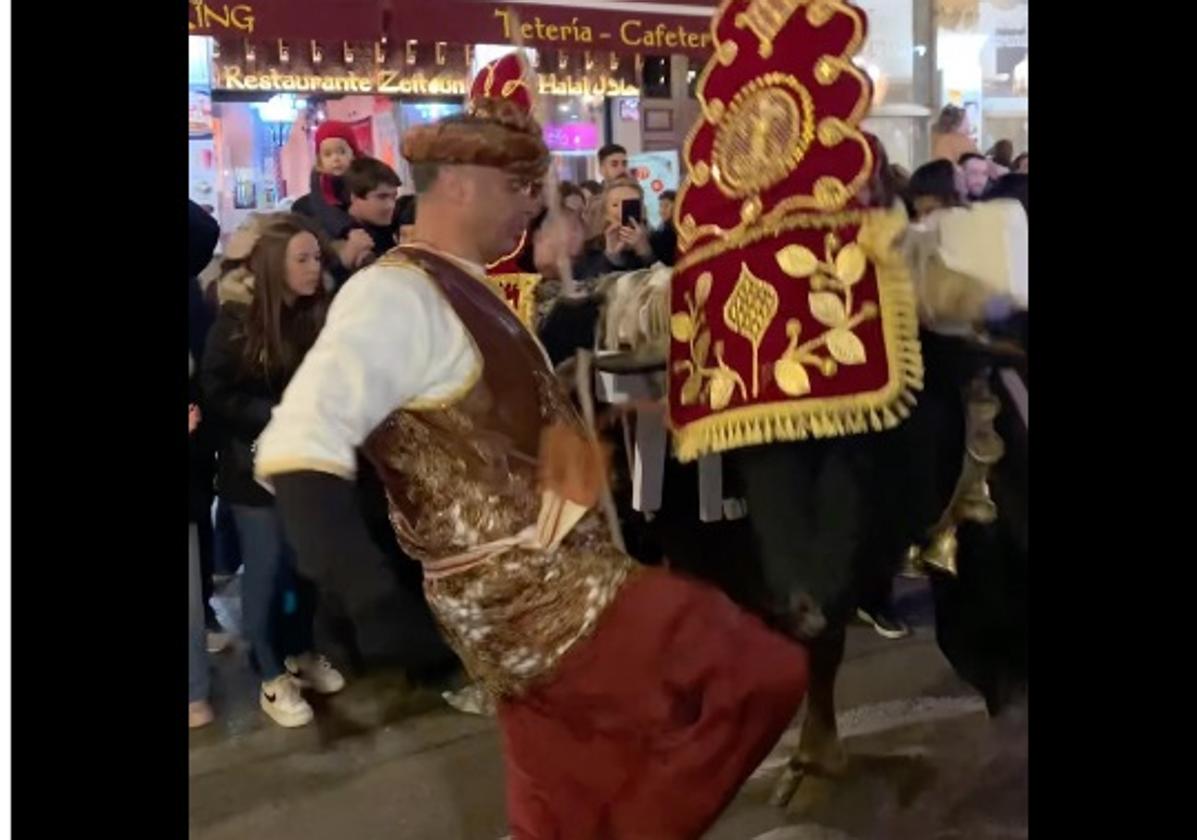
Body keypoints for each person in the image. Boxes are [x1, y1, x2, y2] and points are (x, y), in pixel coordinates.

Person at [255, 63, 807, 838]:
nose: (531, 206)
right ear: (466, 185)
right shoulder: (393, 294)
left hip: (534, 596)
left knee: (558, 809)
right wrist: (371, 598)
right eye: (521, 187)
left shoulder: (467, 286)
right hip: (540, 596)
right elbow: (298, 443)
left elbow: (494, 425)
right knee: (759, 675)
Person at [201, 214, 347, 728]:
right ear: (272, 266)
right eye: (302, 259)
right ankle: (269, 672)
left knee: (305, 567)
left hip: (306, 459)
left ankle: (299, 651)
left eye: (317, 258)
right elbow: (216, 393)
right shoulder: (237, 318)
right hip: (253, 467)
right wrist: (274, 413)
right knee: (264, 570)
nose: (314, 269)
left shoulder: (317, 314)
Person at [292, 121, 376, 287]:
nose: (336, 159)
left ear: (354, 154)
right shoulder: (304, 208)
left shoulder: (370, 197)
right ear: (320, 160)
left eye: (341, 151)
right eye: (328, 154)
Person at [344, 156, 402, 259]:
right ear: (354, 197)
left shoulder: (393, 228)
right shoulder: (338, 238)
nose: (390, 205)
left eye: (394, 197)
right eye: (382, 197)